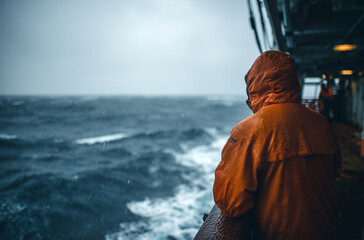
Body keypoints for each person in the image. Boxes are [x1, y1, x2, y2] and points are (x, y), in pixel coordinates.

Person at [212, 50, 341, 239]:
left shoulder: (249, 130)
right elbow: (336, 170)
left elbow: (231, 202)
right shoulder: (321, 123)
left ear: (255, 88)